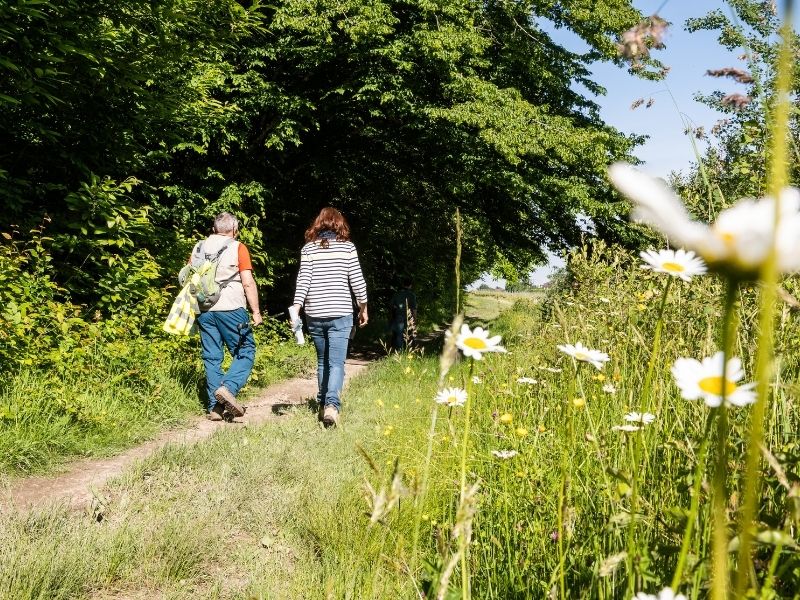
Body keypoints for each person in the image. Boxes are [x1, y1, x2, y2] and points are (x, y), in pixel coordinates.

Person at [291, 207, 368, 427]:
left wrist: (296, 309)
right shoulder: (347, 248)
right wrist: (363, 308)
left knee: (322, 361)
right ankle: (331, 406)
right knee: (336, 363)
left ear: (319, 224)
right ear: (339, 225)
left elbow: (303, 281)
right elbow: (357, 282)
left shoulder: (309, 250)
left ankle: (323, 402)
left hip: (314, 314)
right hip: (341, 313)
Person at [194, 212, 263, 421]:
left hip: (204, 309)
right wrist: (256, 312)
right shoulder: (237, 247)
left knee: (212, 356)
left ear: (214, 229)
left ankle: (215, 408)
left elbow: (191, 277)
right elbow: (248, 282)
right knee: (245, 350)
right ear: (234, 230)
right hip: (232, 308)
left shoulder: (198, 247)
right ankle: (228, 388)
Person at [389, 277, 417, 351]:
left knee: (399, 334)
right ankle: (408, 350)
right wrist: (415, 320)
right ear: (410, 285)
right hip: (409, 317)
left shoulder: (397, 294)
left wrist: (391, 317)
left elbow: (391, 306)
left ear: (403, 284)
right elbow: (414, 309)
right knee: (409, 334)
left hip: (398, 316)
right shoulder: (412, 295)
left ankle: (399, 351)